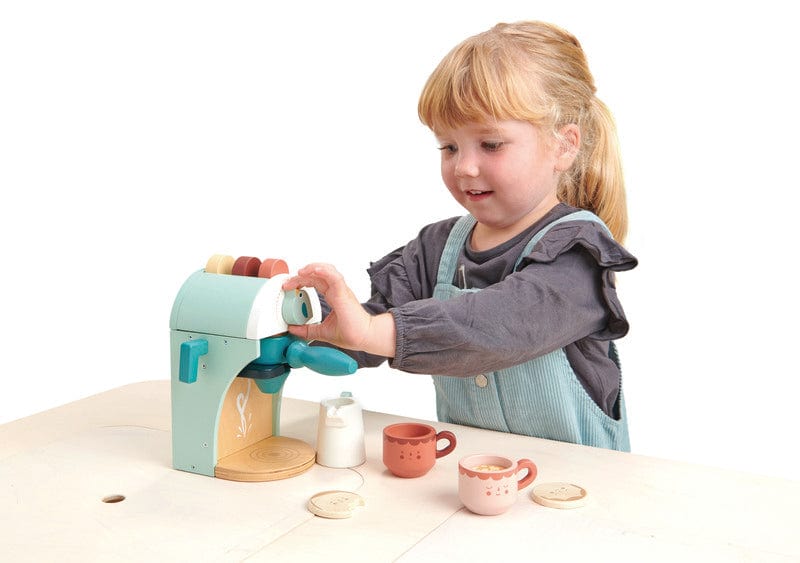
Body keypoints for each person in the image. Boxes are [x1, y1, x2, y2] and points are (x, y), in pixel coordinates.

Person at [282, 20, 638, 451]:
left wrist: (368, 332)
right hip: (473, 477)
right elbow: (368, 326)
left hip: (576, 493)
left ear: (564, 146)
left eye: (490, 144)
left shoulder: (578, 255)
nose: (464, 167)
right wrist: (300, 317)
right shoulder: (437, 248)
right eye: (449, 147)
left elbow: (498, 326)